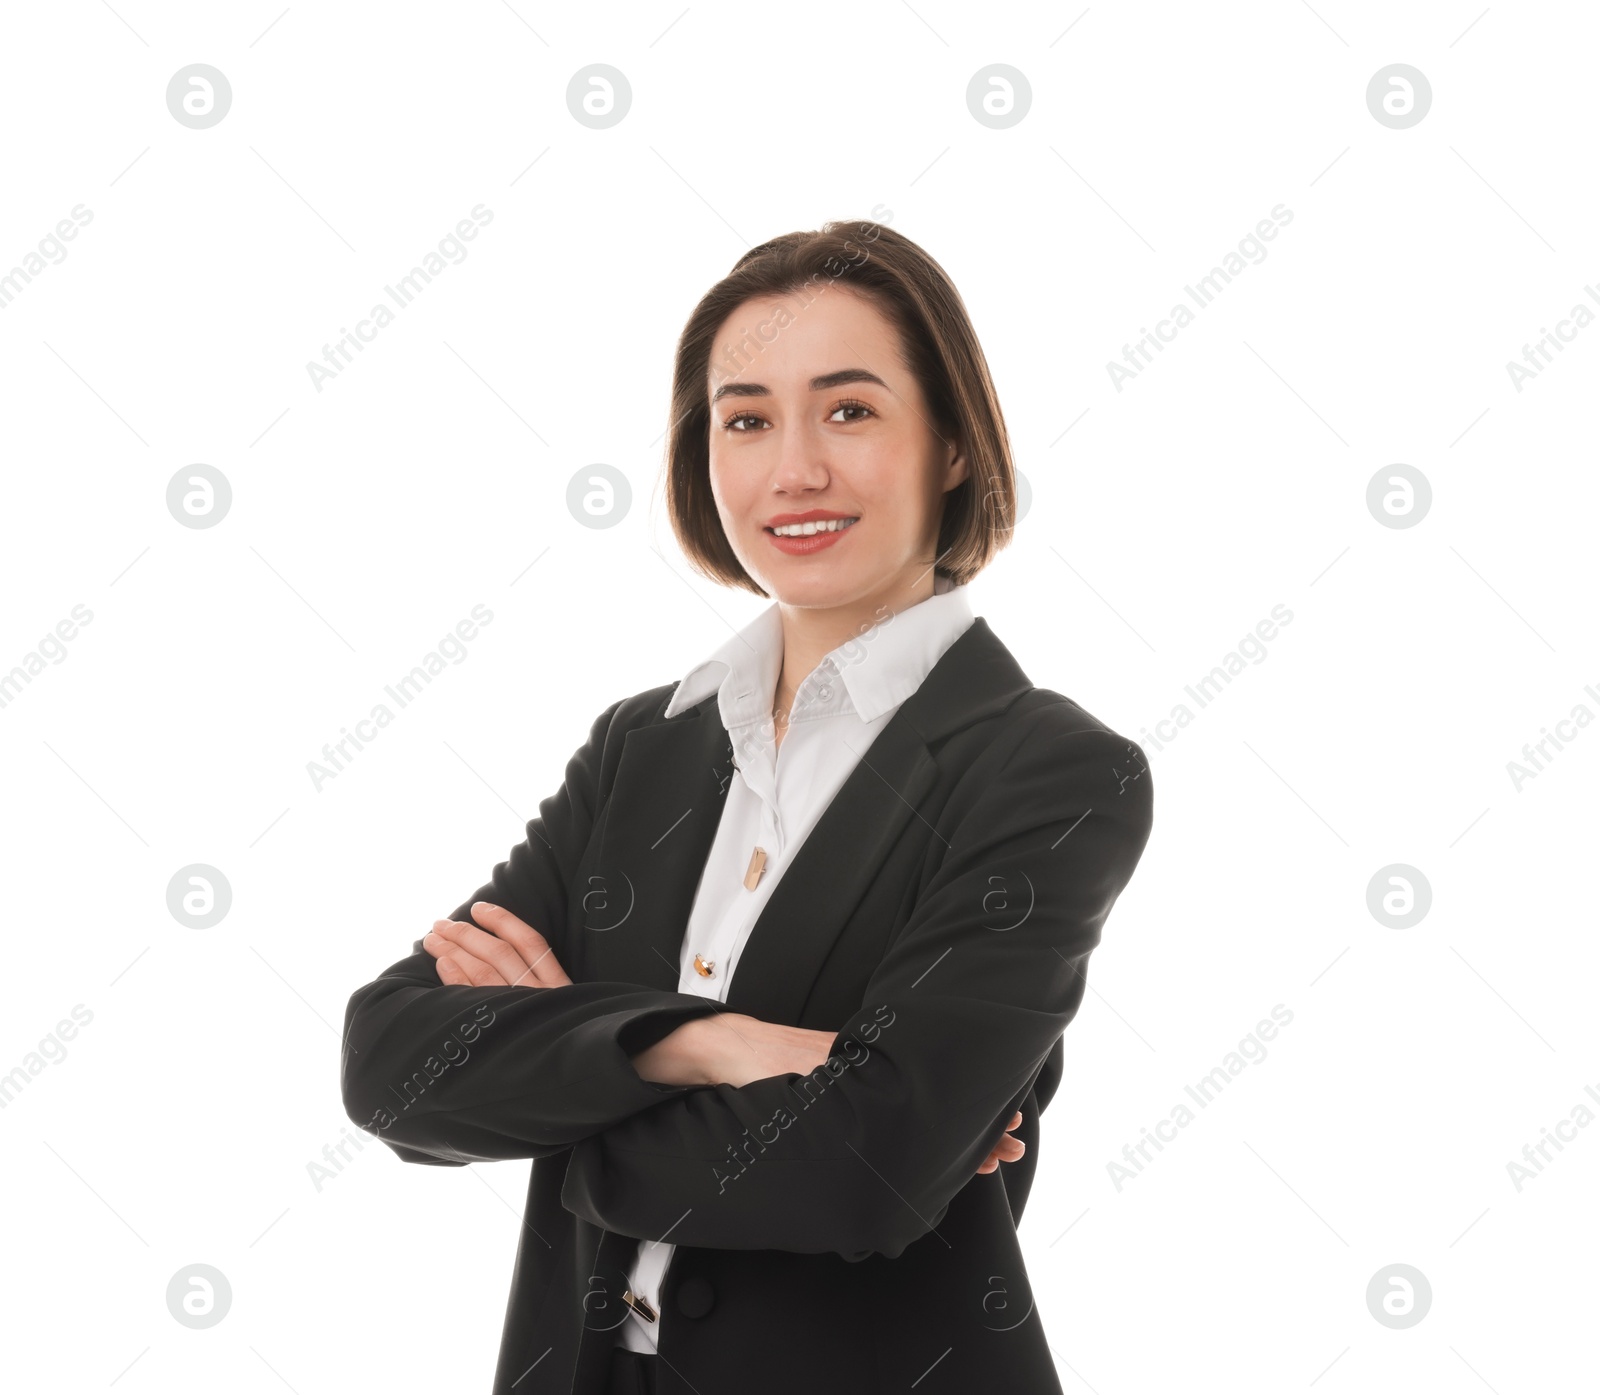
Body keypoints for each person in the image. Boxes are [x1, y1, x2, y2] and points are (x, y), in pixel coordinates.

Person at [340, 219, 1154, 1395]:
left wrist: (557, 1085)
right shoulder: (645, 747)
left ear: (956, 447)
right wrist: (706, 1042)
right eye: (747, 418)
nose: (794, 472)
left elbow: (864, 1171)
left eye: (852, 410)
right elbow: (393, 1069)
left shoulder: (1049, 773)